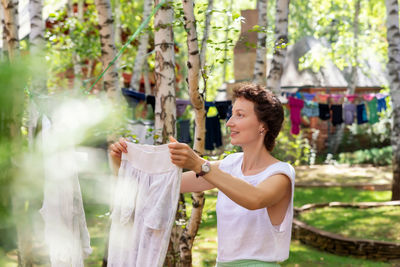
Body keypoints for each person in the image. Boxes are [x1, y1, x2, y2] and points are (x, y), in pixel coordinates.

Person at [109, 83, 295, 266]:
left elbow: (255, 199)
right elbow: (159, 187)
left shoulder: (281, 174)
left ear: (263, 125)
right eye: (231, 114)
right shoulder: (230, 164)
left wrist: (199, 164)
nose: (229, 123)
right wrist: (122, 164)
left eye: (240, 115)